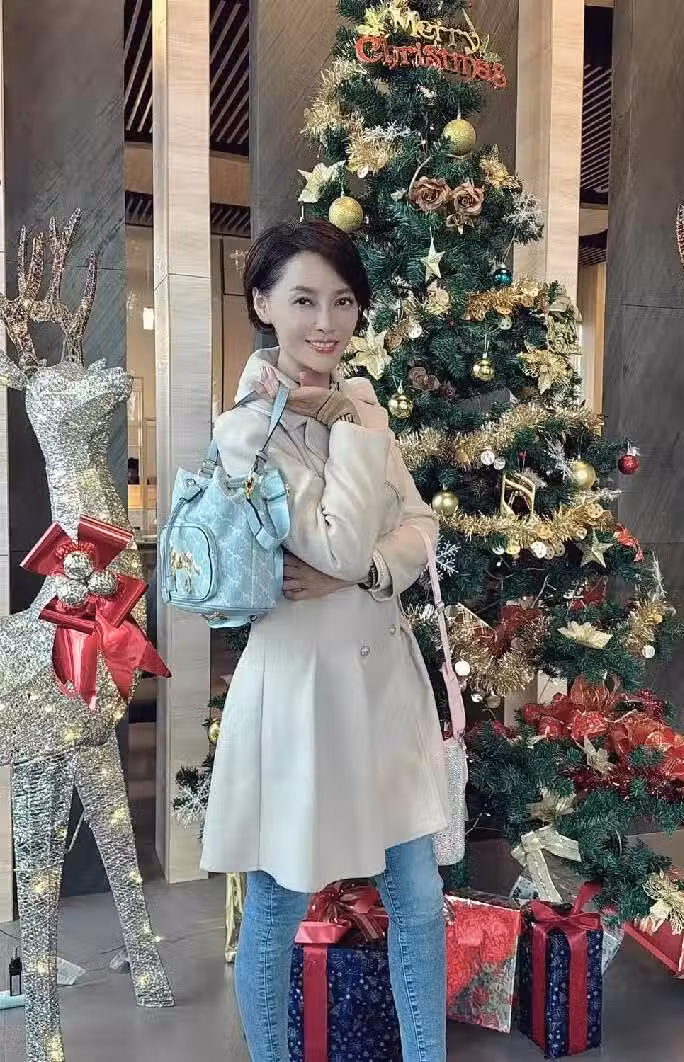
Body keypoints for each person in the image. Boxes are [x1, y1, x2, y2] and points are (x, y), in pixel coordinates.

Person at [201, 219, 450, 1062]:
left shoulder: (361, 401)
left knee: (418, 899)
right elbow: (337, 542)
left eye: (343, 302)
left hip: (384, 689)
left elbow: (420, 526)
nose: (326, 322)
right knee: (277, 906)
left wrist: (371, 569)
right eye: (304, 300)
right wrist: (352, 435)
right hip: (300, 696)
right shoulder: (246, 430)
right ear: (262, 303)